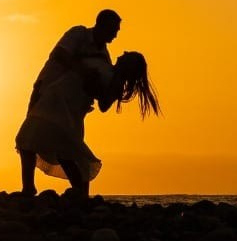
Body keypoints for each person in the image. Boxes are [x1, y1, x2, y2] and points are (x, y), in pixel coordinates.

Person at [15, 12, 160, 197]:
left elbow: (103, 101)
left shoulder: (106, 62)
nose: (116, 37)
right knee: (32, 139)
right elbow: (59, 54)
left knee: (56, 145)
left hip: (70, 105)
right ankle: (41, 189)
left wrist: (105, 84)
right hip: (48, 90)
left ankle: (74, 192)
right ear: (101, 24)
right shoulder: (79, 34)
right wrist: (85, 73)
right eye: (114, 30)